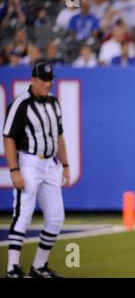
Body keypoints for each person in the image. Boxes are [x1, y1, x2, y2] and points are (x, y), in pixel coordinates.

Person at [3, 62, 70, 278]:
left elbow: (59, 136)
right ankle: (12, 267)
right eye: (43, 79)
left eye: (50, 80)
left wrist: (65, 165)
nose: (47, 84)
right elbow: (9, 137)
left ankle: (39, 266)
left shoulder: (54, 102)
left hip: (50, 163)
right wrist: (14, 169)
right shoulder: (21, 104)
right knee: (23, 214)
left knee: (56, 217)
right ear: (33, 79)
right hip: (29, 162)